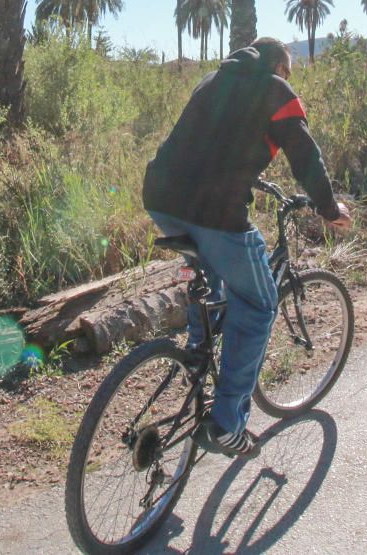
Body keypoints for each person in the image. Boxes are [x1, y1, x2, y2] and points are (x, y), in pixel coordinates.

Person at [142, 37, 351, 458]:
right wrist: (329, 208)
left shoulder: (213, 80)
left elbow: (210, 146)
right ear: (277, 63)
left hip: (161, 199)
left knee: (211, 280)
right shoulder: (275, 89)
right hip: (214, 212)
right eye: (286, 71)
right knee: (258, 305)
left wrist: (247, 175)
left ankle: (197, 360)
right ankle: (226, 423)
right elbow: (304, 155)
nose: (286, 79)